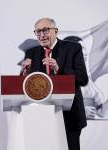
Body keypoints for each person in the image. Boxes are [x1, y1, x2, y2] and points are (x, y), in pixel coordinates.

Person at [21, 18, 88, 150]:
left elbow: (82, 78)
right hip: (41, 116)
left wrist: (59, 69)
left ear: (55, 31)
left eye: (45, 30)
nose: (42, 35)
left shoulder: (73, 48)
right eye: (38, 32)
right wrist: (24, 74)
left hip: (70, 115)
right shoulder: (31, 53)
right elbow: (26, 85)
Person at [64, 36, 108, 119]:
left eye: (85, 49)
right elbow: (54, 109)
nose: (85, 52)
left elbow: (101, 112)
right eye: (81, 48)